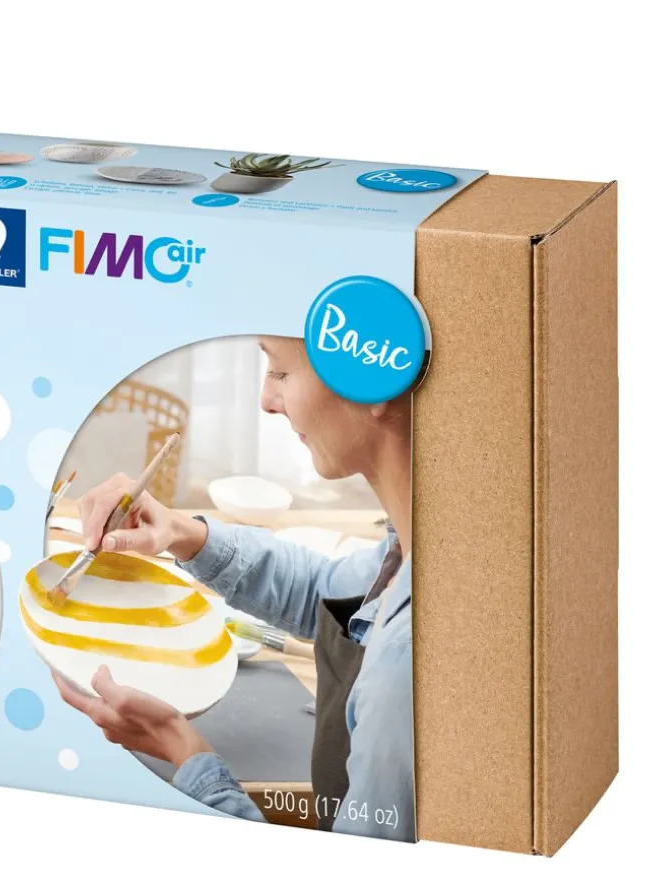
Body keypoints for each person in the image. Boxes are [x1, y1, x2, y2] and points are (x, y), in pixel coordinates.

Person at [52, 335, 415, 841]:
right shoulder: (410, 548)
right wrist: (182, 533)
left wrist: (184, 750)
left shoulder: (404, 666)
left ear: (377, 379)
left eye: (281, 372)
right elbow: (328, 593)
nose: (267, 400)